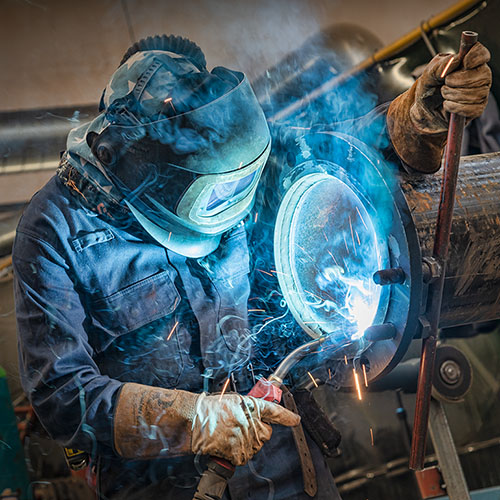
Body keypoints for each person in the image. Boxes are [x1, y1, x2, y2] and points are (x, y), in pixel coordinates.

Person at [13, 34, 491, 499]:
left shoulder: (223, 147)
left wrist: (421, 112)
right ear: (147, 172)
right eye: (219, 197)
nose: (235, 208)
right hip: (165, 486)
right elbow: (60, 393)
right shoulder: (55, 229)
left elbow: (339, 153)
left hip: (288, 471)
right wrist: (195, 420)